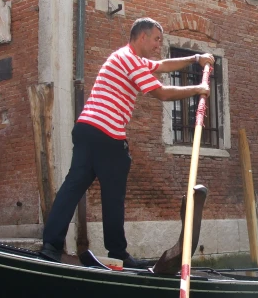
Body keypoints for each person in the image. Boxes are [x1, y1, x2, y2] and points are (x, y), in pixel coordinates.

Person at [40, 17, 214, 267]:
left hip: (86, 128)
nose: (157, 45)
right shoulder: (129, 60)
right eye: (156, 39)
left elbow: (163, 65)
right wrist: (197, 89)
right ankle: (118, 255)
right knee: (113, 196)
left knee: (73, 187)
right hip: (107, 134)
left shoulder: (125, 57)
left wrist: (195, 59)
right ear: (142, 36)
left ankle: (51, 245)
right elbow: (161, 92)